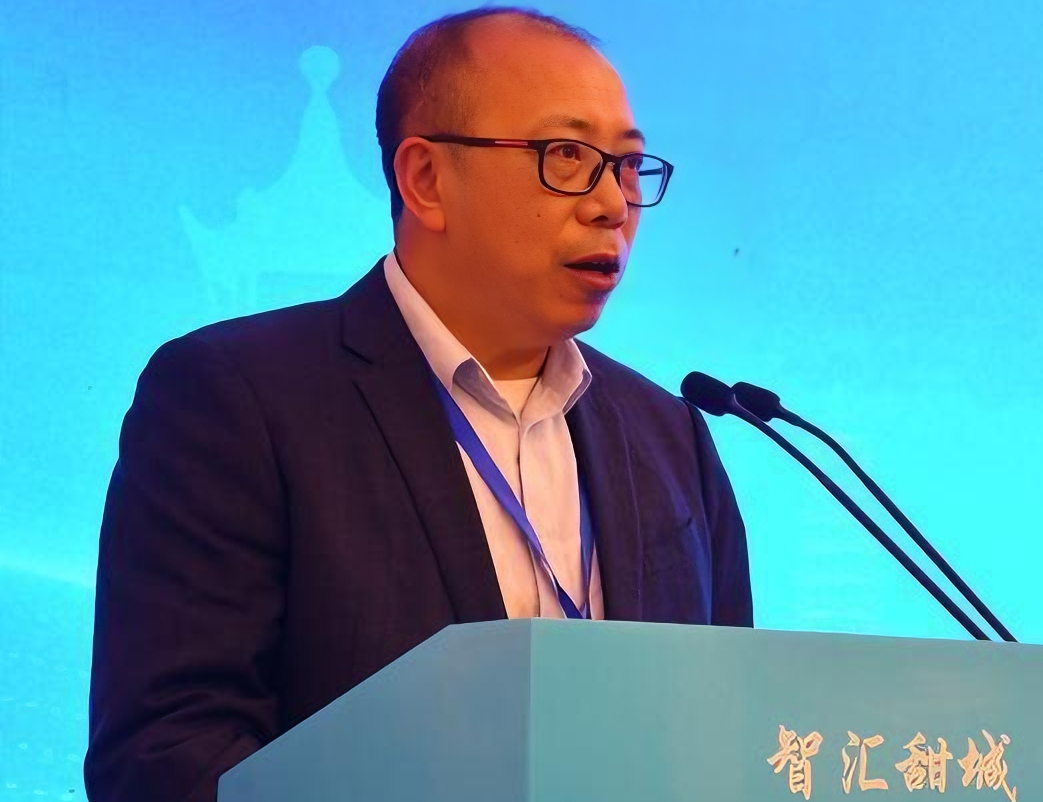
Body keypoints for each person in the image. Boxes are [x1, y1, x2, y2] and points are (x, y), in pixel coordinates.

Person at [84, 8, 753, 801]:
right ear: (426, 180)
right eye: (567, 157)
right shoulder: (236, 399)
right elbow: (166, 754)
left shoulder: (670, 436)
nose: (612, 203)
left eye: (627, 165)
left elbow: (729, 729)